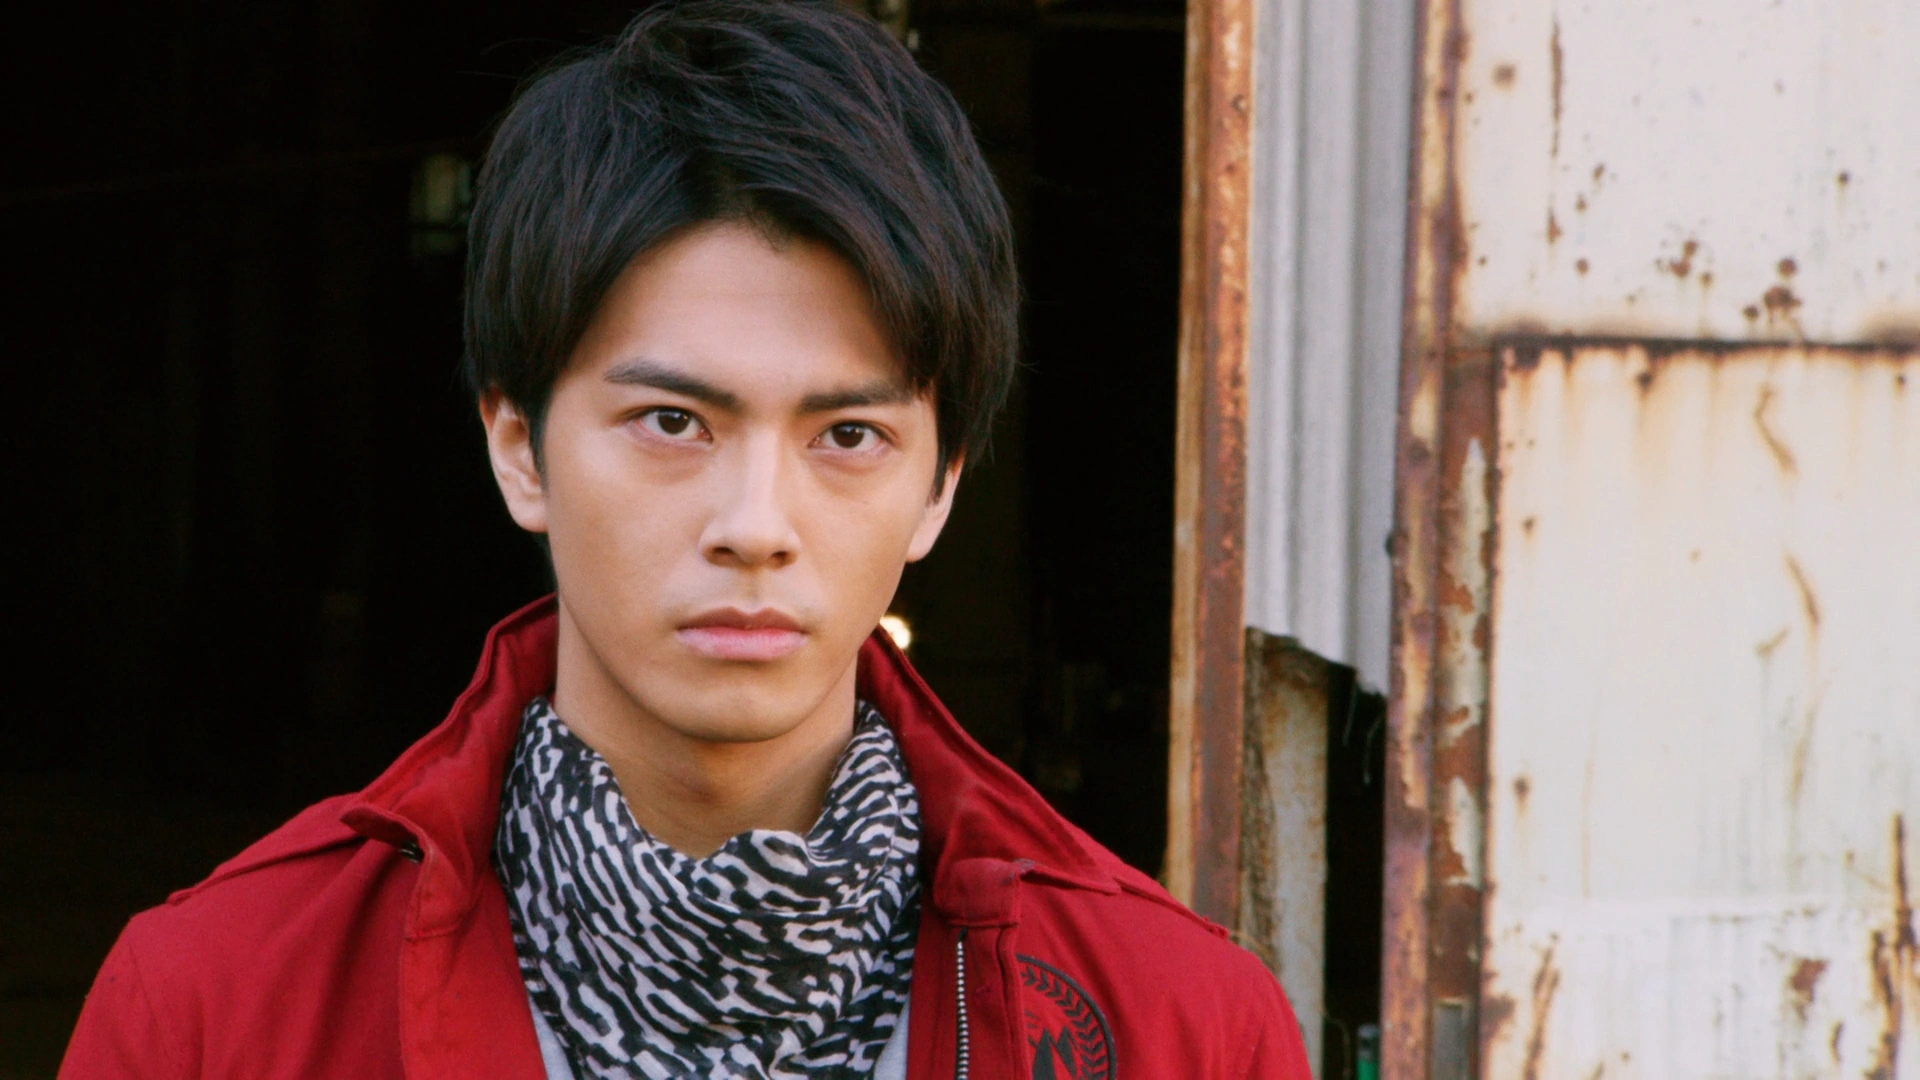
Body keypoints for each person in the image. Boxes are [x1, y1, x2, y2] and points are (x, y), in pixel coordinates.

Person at [61, 2, 1310, 1076]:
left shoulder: (1181, 1025)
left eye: (848, 435)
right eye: (672, 422)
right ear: (519, 447)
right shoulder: (215, 1006)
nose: (755, 526)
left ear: (940, 487)